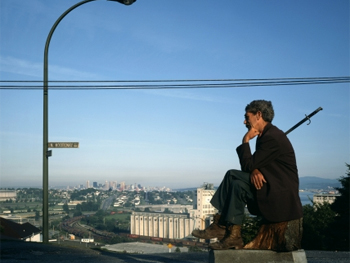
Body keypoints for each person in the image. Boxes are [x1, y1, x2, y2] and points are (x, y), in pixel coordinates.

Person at [192, 100, 303, 250]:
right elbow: (255, 164)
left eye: (247, 117)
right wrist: (255, 170)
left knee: (232, 175)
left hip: (279, 197)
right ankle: (233, 237)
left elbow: (248, 165)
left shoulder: (272, 137)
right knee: (238, 185)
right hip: (271, 189)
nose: (245, 121)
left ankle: (221, 225)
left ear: (258, 115)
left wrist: (245, 141)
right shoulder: (266, 135)